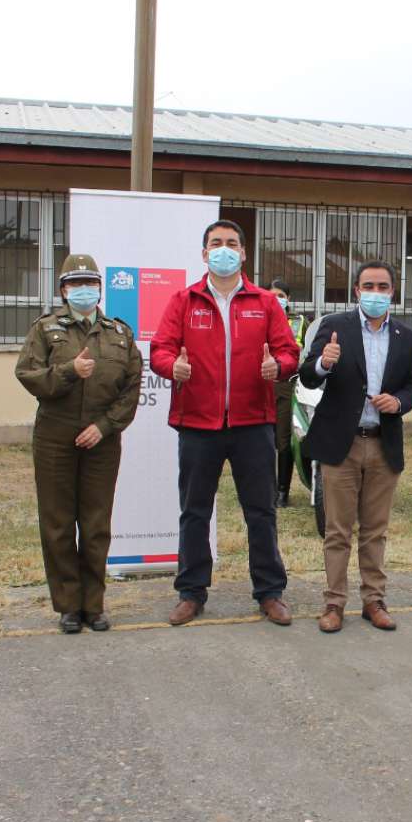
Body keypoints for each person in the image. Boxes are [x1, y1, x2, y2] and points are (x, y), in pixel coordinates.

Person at [150, 220, 301, 626]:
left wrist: (278, 366)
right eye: (216, 243)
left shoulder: (265, 302)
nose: (224, 249)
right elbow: (160, 350)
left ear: (244, 253)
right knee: (194, 511)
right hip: (198, 423)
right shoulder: (184, 301)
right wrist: (172, 367)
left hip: (254, 423)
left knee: (261, 511)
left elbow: (290, 353)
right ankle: (191, 592)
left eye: (231, 243)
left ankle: (270, 592)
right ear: (203, 254)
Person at [15, 254, 143, 634]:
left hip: (101, 440)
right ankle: (68, 606)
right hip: (55, 435)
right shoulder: (46, 329)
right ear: (63, 290)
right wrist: (70, 371)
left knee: (95, 523)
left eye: (90, 283)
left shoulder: (119, 333)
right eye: (75, 284)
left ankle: (94, 604)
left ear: (100, 289)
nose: (84, 290)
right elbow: (28, 375)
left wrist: (104, 427)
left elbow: (131, 388)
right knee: (57, 522)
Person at [298, 260, 412, 633]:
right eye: (369, 286)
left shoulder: (405, 336)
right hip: (342, 444)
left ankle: (374, 601)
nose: (376, 293)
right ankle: (334, 604)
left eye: (383, 287)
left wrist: (397, 403)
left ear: (393, 292)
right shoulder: (335, 327)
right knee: (337, 530)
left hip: (383, 445)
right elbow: (306, 375)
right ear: (356, 290)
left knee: (375, 530)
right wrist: (323, 362)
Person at [268, 278, 309, 507]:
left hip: (287, 384)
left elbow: (310, 349)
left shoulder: (299, 321)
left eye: (281, 296)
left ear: (288, 298)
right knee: (262, 441)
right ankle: (264, 489)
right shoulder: (257, 317)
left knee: (284, 440)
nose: (276, 300)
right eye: (272, 295)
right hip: (260, 384)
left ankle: (282, 491)